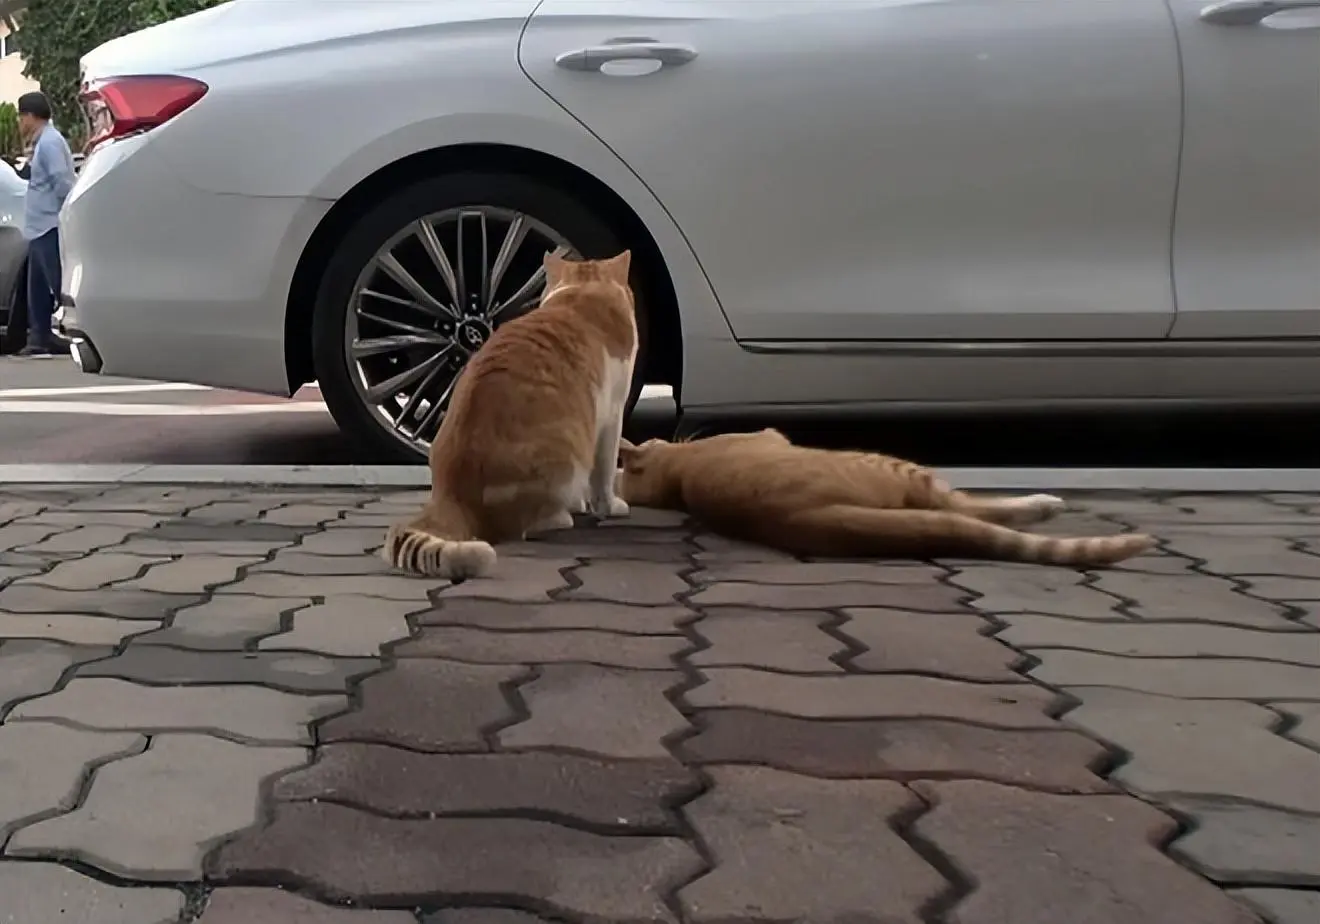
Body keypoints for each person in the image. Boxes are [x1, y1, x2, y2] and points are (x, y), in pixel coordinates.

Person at [16, 91, 76, 357]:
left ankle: (75, 334)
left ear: (30, 116)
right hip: (39, 226)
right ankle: (39, 339)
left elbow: (62, 182)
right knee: (37, 289)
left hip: (49, 225)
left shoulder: (50, 143)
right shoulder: (44, 142)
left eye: (20, 116)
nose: (19, 123)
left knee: (57, 283)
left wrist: (66, 215)